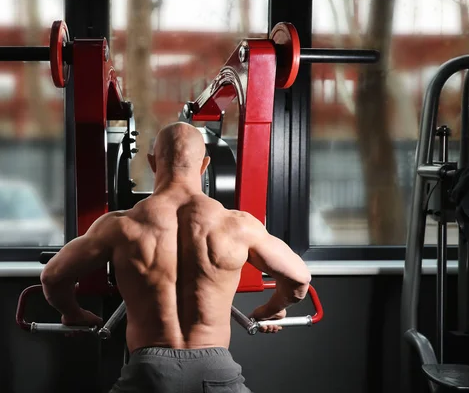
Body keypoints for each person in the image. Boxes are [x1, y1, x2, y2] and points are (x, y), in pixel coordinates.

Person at [40, 122, 312, 393]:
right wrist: (272, 309)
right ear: (205, 164)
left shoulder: (120, 226)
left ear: (151, 163)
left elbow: (52, 276)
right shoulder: (238, 225)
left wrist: (72, 313)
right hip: (216, 369)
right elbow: (299, 280)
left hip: (147, 372)